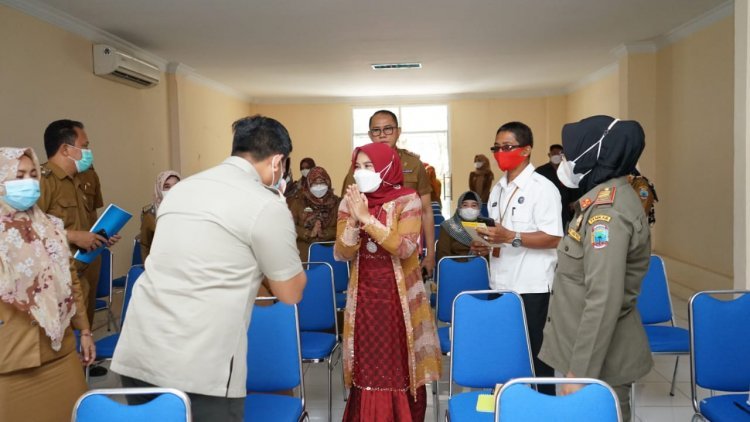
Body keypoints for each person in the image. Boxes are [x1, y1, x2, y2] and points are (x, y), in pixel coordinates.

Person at [111, 115, 307, 422]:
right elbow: (290, 292)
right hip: (199, 366)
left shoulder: (182, 190)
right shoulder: (266, 204)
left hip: (140, 351)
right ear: (277, 162)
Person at [539, 115, 653, 421]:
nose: (563, 160)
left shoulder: (608, 215)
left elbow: (603, 298)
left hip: (595, 359)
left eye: (569, 153)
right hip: (580, 347)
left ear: (594, 154)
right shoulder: (598, 204)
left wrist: (581, 373)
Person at [335, 142, 441, 421]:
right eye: (357, 166)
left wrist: (368, 218)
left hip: (398, 298)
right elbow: (342, 252)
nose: (361, 172)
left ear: (387, 167)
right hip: (364, 298)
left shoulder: (408, 199)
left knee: (396, 364)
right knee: (367, 366)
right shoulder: (350, 201)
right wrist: (355, 221)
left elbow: (406, 248)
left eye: (368, 166)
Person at [0, 147, 96, 422]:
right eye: (18, 176)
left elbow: (70, 281)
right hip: (11, 360)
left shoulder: (51, 227)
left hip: (60, 352)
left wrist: (85, 331)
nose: (28, 182)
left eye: (32, 175)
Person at [471, 121, 562, 396]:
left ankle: (543, 410)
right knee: (504, 355)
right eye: (497, 148)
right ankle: (508, 405)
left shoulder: (542, 188)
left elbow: (553, 237)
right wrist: (486, 245)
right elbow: (502, 235)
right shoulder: (498, 188)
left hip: (531, 288)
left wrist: (511, 237)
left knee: (536, 360)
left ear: (526, 150)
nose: (501, 152)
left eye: (507, 147)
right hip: (500, 284)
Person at [37, 119, 120, 327]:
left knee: (85, 338)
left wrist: (100, 236)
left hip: (82, 274)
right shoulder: (42, 181)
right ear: (66, 149)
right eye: (84, 146)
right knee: (65, 345)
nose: (88, 151)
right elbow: (27, 231)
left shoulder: (78, 180)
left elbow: (86, 220)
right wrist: (73, 237)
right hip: (55, 280)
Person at [341, 110, 437, 278]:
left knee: (404, 298)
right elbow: (347, 209)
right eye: (376, 130)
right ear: (370, 134)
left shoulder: (413, 164)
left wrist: (430, 255)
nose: (382, 135)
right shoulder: (359, 167)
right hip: (367, 251)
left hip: (403, 248)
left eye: (388, 129)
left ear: (398, 131)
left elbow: (426, 211)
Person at [287, 166, 340, 262]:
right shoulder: (299, 202)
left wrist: (324, 233)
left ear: (328, 182)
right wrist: (309, 233)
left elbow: (343, 227)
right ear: (308, 184)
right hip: (304, 254)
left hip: (331, 253)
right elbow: (289, 226)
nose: (319, 187)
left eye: (322, 183)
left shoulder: (336, 202)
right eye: (315, 183)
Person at [140, 170, 181, 262]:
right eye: (166, 186)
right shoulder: (150, 215)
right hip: (160, 264)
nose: (172, 190)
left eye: (176, 186)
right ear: (159, 188)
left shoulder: (190, 210)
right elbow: (145, 246)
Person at [535, 144, 577, 229]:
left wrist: (574, 201)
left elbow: (573, 187)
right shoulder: (540, 171)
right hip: (547, 210)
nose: (556, 156)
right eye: (554, 153)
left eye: (559, 154)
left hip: (565, 210)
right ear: (549, 155)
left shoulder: (568, 171)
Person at [436, 191, 485, 262]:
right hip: (454, 269)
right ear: (459, 207)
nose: (469, 209)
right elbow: (443, 256)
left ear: (479, 208)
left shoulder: (485, 228)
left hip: (480, 269)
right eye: (465, 205)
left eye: (474, 205)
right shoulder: (448, 226)